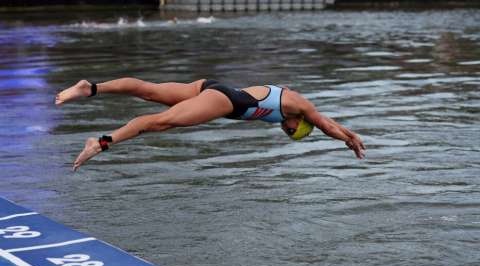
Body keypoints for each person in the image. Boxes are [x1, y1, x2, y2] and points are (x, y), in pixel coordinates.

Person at [55, 78, 366, 171]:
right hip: (225, 101)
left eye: (288, 134)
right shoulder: (297, 104)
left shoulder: (296, 111)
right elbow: (325, 123)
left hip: (211, 88)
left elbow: (327, 121)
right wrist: (345, 140)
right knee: (159, 123)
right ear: (300, 121)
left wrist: (349, 133)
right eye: (291, 130)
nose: (285, 130)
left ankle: (90, 88)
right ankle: (101, 143)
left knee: (148, 92)